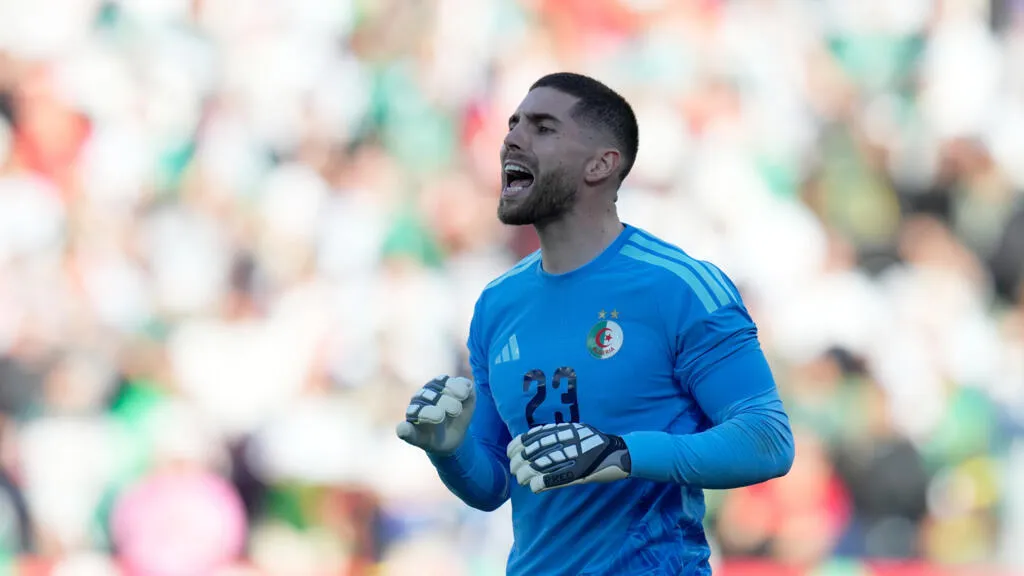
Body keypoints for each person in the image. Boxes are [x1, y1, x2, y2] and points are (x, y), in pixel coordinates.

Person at [396, 72, 795, 575]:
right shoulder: (497, 303)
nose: (512, 138)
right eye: (514, 124)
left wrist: (619, 454)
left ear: (601, 164)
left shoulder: (679, 286)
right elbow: (494, 484)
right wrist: (450, 451)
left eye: (543, 128)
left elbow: (767, 439)